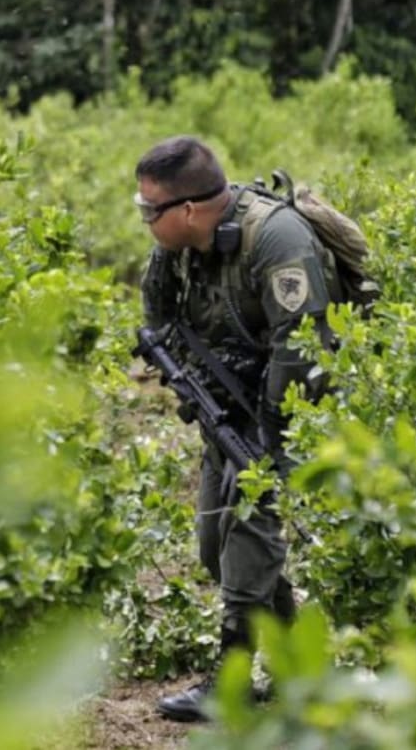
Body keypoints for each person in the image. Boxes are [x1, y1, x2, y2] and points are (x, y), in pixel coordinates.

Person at [134, 135, 341, 723]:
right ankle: (302, 668)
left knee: (251, 535)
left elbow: (302, 348)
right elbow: (159, 315)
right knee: (214, 546)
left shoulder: (276, 238)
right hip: (227, 409)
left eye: (152, 210)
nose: (146, 219)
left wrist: (270, 442)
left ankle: (231, 681)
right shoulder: (177, 248)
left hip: (294, 409)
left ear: (191, 209)